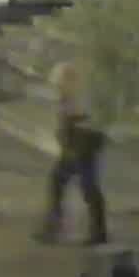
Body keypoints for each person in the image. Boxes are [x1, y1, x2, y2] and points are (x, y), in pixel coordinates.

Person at [37, 53, 107, 245]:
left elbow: (83, 127)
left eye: (59, 85)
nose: (58, 90)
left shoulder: (79, 100)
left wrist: (73, 147)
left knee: (86, 187)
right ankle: (56, 227)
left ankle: (95, 232)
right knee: (67, 185)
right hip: (77, 144)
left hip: (83, 144)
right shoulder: (71, 97)